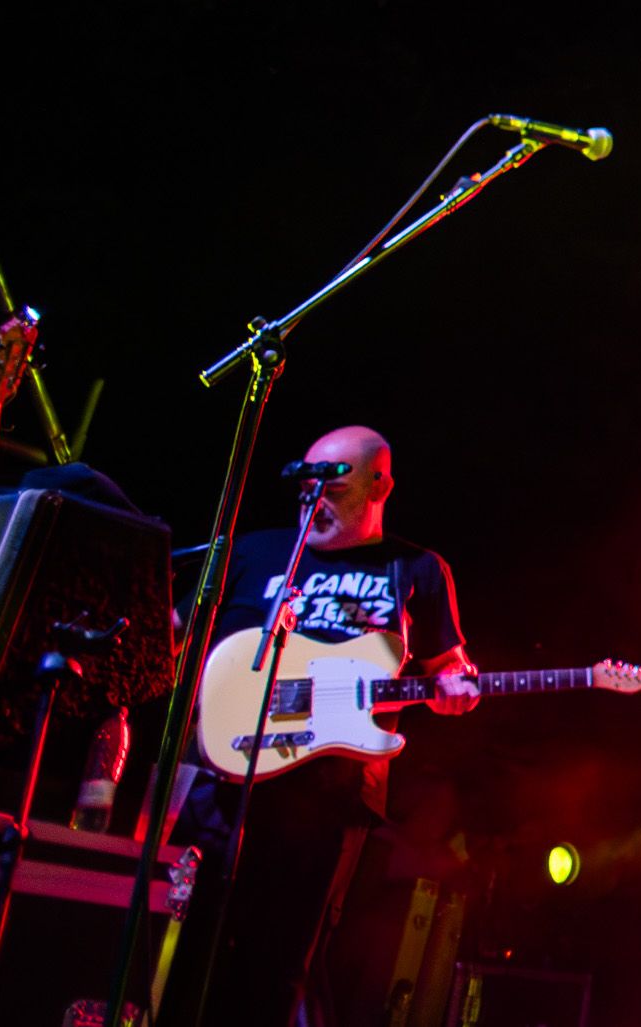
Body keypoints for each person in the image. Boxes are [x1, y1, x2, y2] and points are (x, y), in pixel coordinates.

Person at [169, 426, 475, 1027]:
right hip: (221, 780)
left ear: (379, 484)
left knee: (277, 962)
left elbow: (448, 666)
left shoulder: (415, 568)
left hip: (327, 798)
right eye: (309, 486)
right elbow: (172, 639)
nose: (316, 500)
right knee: (186, 943)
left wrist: (457, 685)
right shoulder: (252, 551)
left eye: (334, 486)